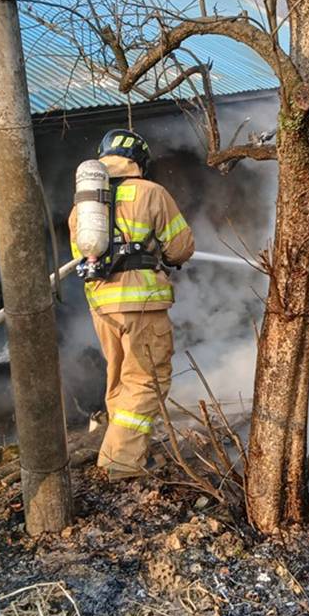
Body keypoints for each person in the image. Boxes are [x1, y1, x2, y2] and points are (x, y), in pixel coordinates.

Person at [69, 129, 195, 480]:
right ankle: (121, 463)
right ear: (139, 161)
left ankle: (122, 449)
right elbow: (181, 247)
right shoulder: (151, 192)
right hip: (142, 303)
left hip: (102, 306)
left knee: (121, 378)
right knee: (147, 380)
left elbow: (84, 256)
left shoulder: (83, 206)